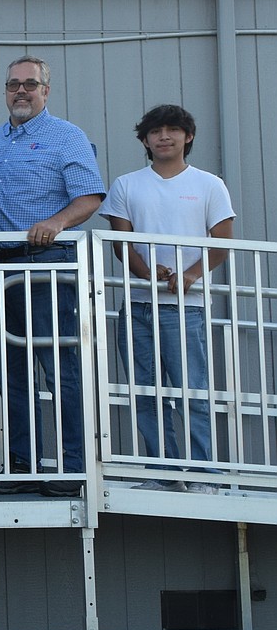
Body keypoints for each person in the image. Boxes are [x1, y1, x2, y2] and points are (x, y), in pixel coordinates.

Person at [0, 55, 105, 498]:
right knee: (8, 370)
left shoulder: (67, 137)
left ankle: (71, 467)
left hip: (46, 265)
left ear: (46, 90)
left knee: (60, 369)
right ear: (5, 91)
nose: (21, 91)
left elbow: (88, 196)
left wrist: (58, 223)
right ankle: (21, 464)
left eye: (30, 84)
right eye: (13, 85)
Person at [100, 104, 234, 495]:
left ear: (188, 137)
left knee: (192, 391)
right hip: (137, 305)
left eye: (173, 130)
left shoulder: (210, 184)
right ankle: (163, 471)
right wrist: (147, 274)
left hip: (187, 309)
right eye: (155, 131)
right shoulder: (127, 184)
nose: (164, 137)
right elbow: (121, 244)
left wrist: (191, 275)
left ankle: (204, 475)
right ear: (144, 139)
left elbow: (222, 245)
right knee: (145, 393)